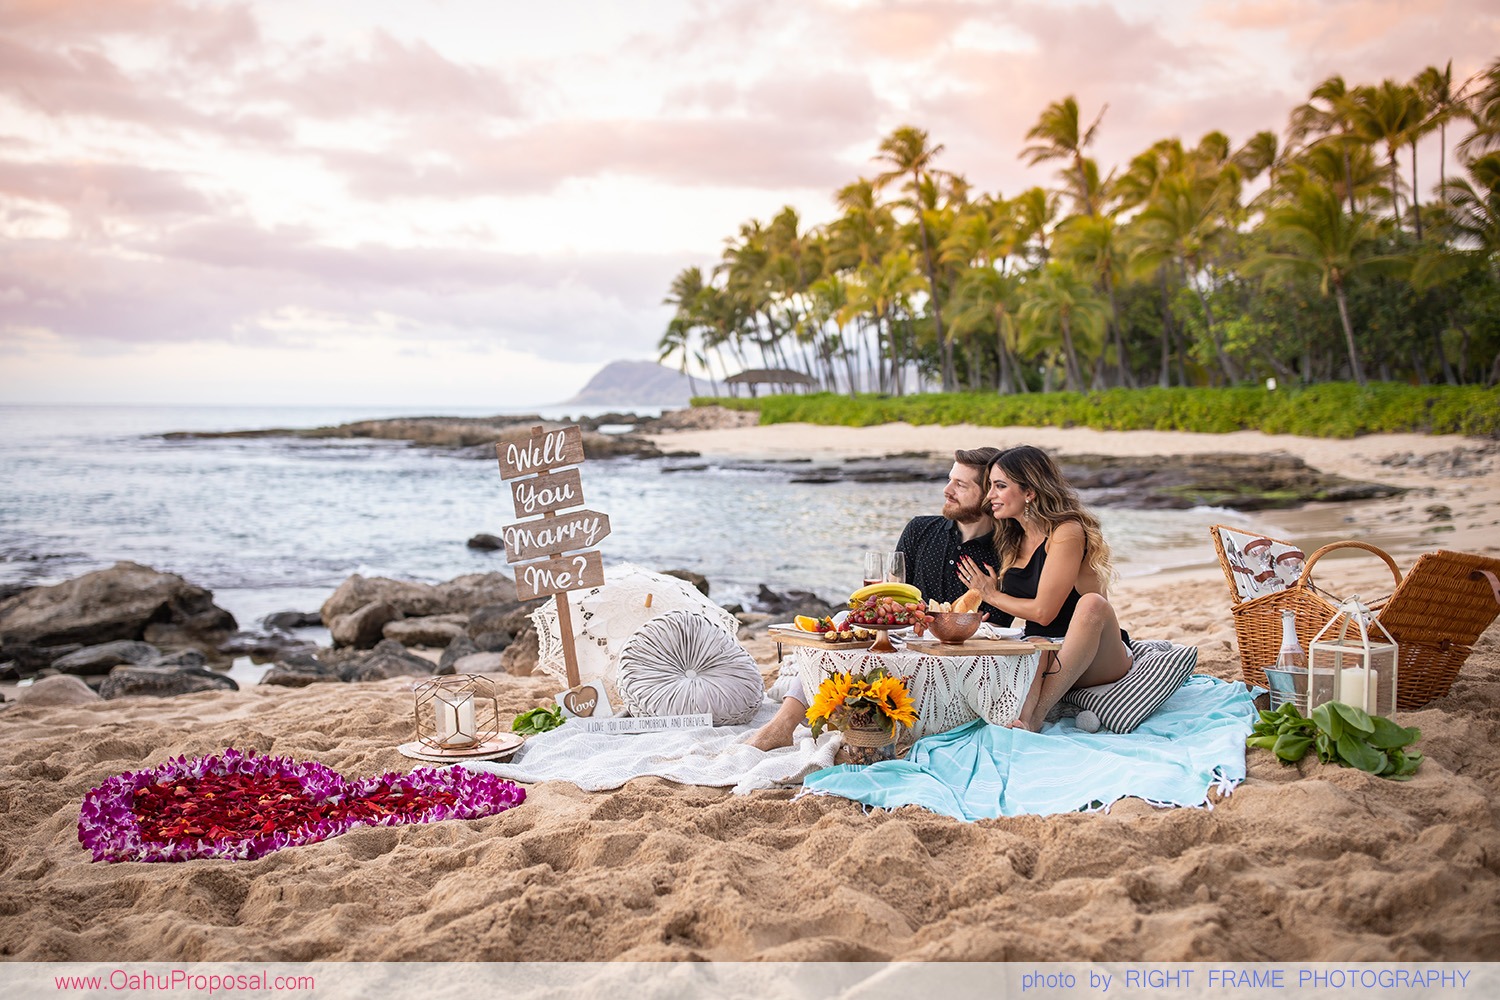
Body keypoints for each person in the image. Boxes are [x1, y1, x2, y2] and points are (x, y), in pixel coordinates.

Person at [746, 447, 1005, 751]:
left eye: (961, 485)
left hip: (961, 656)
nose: (947, 490)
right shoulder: (921, 529)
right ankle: (782, 724)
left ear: (989, 493)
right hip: (903, 641)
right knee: (842, 620)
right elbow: (892, 595)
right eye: (950, 480)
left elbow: (999, 626)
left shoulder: (1005, 550)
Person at [956, 444, 1133, 732]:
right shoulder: (1013, 539)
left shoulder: (1067, 531)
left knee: (1091, 604)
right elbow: (1025, 622)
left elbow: (1044, 612)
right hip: (1048, 653)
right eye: (990, 487)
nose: (990, 496)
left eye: (1000, 486)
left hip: (1100, 657)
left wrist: (992, 594)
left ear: (1030, 492)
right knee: (1034, 644)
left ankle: (1035, 717)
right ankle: (1022, 722)